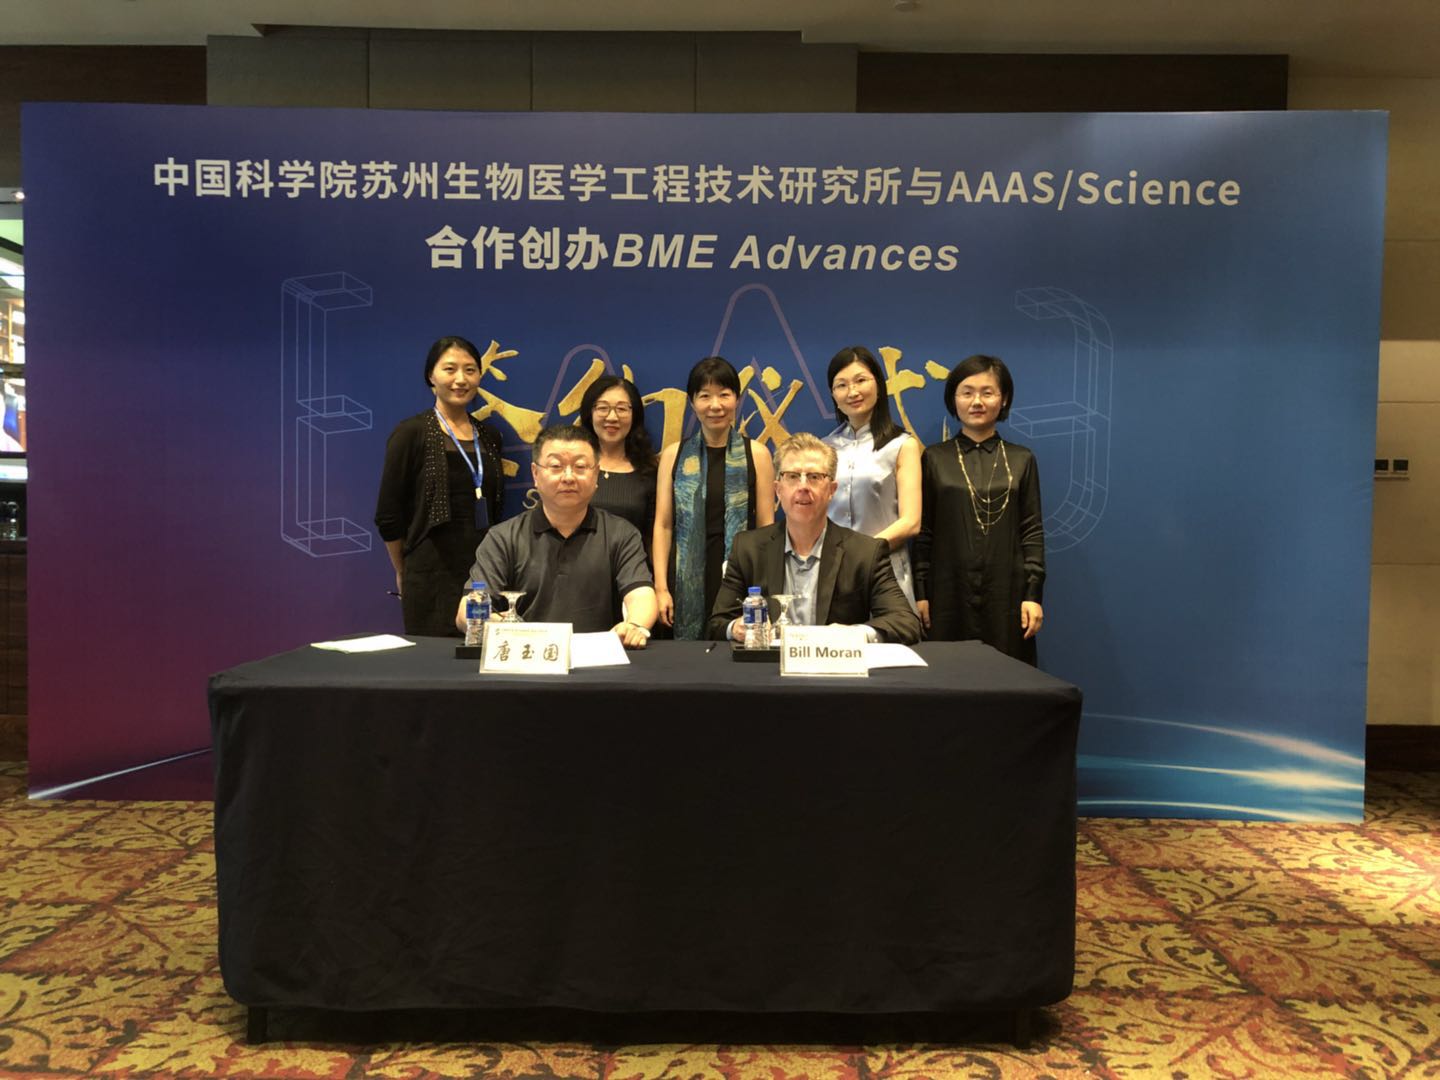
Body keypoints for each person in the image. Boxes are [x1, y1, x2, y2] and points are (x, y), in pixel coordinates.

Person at [707, 433, 921, 645]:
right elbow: (717, 623)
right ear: (778, 490)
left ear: (832, 490)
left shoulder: (865, 552)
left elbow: (905, 622)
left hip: (833, 665)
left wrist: (855, 634)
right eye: (792, 476)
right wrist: (736, 628)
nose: (803, 487)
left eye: (814, 477)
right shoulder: (748, 548)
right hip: (769, 665)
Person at [458, 422, 657, 648]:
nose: (568, 477)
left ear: (596, 475)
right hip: (527, 658)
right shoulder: (503, 537)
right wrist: (494, 623)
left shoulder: (621, 533)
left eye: (580, 466)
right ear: (535, 474)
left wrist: (635, 625)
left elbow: (641, 594)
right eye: (556, 466)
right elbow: (466, 610)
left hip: (597, 658)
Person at [913, 355, 1045, 663]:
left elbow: (1032, 530)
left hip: (1008, 593)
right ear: (953, 399)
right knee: (948, 674)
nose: (977, 401)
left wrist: (1033, 594)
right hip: (947, 592)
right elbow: (924, 531)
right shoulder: (934, 458)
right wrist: (921, 592)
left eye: (987, 392)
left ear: (1004, 398)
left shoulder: (1022, 459)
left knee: (1008, 675)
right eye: (967, 392)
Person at [375, 335, 505, 636]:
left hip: (483, 571)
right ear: (431, 376)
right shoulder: (411, 433)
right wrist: (403, 570)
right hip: (429, 572)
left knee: (482, 655)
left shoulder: (490, 436)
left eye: (470, 370)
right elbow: (388, 515)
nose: (461, 379)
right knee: (432, 659)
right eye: (450, 369)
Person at [653, 356, 775, 639]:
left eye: (724, 394)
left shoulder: (757, 454)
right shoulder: (673, 455)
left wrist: (763, 588)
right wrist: (660, 588)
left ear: (737, 399)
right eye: (705, 396)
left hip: (740, 576)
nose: (715, 405)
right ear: (692, 402)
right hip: (683, 577)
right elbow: (663, 525)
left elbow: (766, 527)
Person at [822, 345, 922, 608]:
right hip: (832, 572)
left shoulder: (902, 445)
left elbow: (911, 522)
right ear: (833, 394)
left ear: (878, 384)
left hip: (885, 569)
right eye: (841, 385)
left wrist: (863, 554)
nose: (852, 392)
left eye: (861, 380)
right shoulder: (823, 449)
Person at [578, 375, 657, 557]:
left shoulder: (649, 472)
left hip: (632, 570)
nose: (612, 417)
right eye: (603, 408)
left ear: (634, 415)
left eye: (621, 409)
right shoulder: (573, 467)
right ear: (590, 413)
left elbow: (654, 537)